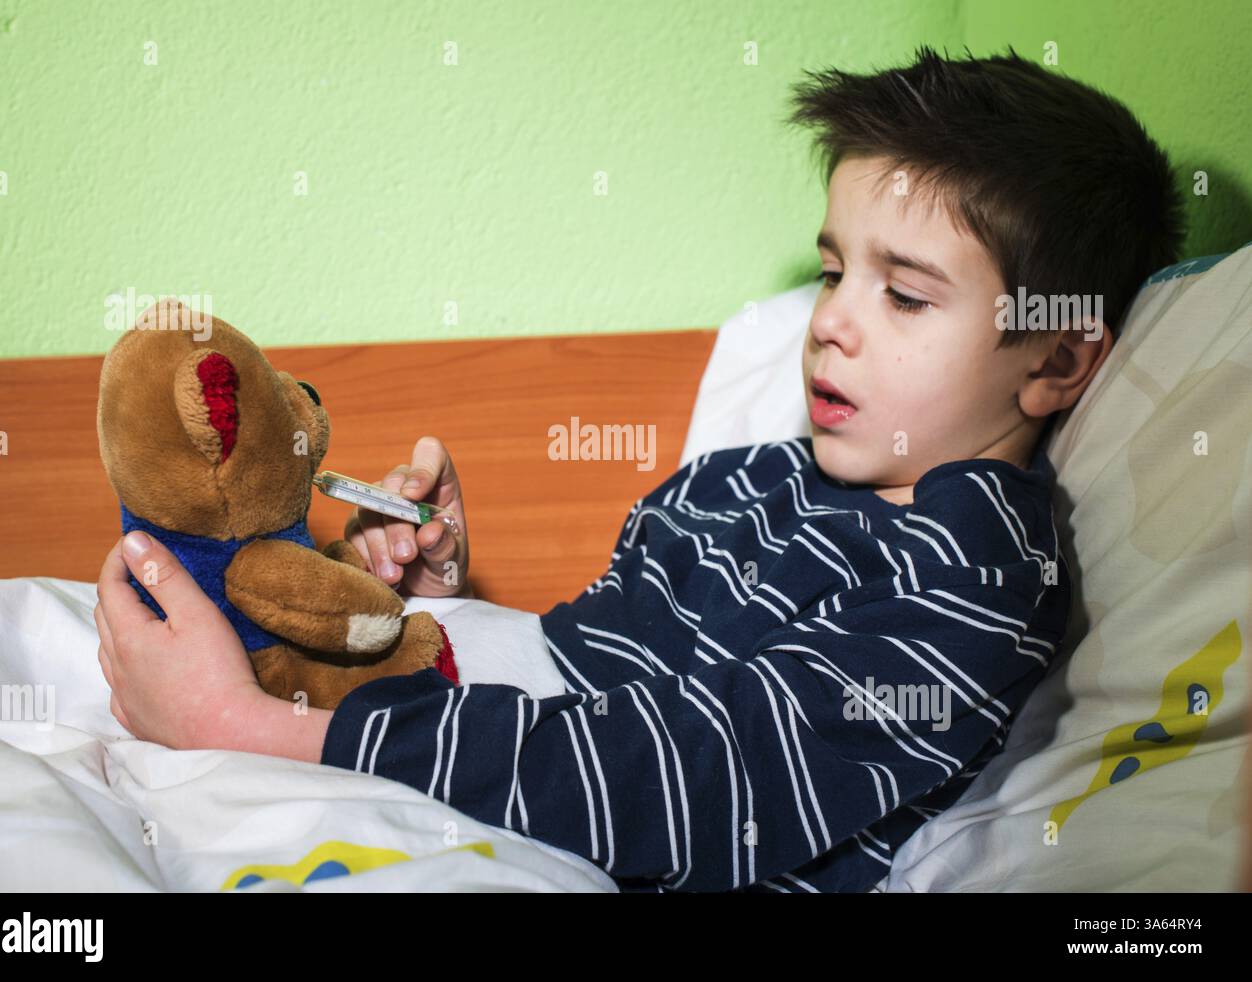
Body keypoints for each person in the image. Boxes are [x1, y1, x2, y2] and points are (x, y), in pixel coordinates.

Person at [94, 46, 1185, 892]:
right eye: (830, 270)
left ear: (1055, 354)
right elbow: (593, 656)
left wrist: (253, 730)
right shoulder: (754, 477)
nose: (831, 326)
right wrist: (432, 609)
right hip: (472, 755)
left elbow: (701, 773)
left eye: (902, 295)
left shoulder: (976, 570)